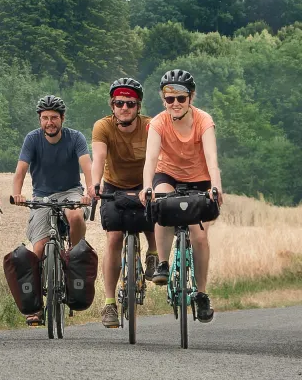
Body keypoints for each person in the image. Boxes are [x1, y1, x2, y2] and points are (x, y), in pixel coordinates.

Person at [138, 69, 223, 323]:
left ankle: (202, 293)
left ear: (191, 98)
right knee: (161, 205)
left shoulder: (203, 120)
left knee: (199, 237)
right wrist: (146, 187)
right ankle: (162, 264)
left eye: (181, 98)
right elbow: (151, 159)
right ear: (163, 99)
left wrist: (216, 187)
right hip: (168, 175)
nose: (175, 104)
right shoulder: (158, 123)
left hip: (200, 178)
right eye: (169, 98)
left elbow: (212, 158)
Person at [10, 94, 95, 327]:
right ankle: (35, 307)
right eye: (45, 118)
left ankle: (73, 260)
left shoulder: (75, 138)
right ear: (39, 119)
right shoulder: (32, 139)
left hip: (71, 192)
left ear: (62, 118)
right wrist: (17, 193)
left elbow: (87, 166)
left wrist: (89, 191)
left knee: (76, 215)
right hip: (42, 197)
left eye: (54, 118)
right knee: (37, 250)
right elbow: (20, 171)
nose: (50, 122)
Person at [90, 78, 157, 329]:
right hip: (115, 185)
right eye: (119, 103)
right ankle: (109, 303)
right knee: (114, 237)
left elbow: (158, 158)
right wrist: (95, 184)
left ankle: (153, 254)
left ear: (138, 106)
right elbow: (98, 157)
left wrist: (152, 187)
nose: (124, 108)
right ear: (112, 105)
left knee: (153, 216)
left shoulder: (151, 126)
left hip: (144, 184)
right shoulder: (103, 127)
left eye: (130, 103)